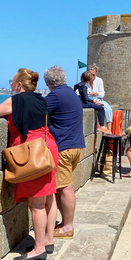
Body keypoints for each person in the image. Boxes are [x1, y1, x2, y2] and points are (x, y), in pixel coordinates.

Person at [0, 68, 59, 260]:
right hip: (47, 146)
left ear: (18, 84)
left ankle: (39, 248)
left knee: (37, 205)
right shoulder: (41, 99)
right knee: (48, 197)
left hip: (32, 152)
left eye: (12, 81)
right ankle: (48, 241)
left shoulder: (14, 101)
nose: (10, 85)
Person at [44, 66, 85, 239]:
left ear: (48, 82)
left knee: (65, 188)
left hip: (64, 148)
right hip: (76, 145)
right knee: (62, 187)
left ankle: (67, 226)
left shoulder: (55, 95)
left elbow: (37, 110)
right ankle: (64, 224)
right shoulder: (70, 93)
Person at [86, 64, 113, 131]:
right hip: (89, 100)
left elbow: (102, 93)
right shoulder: (85, 81)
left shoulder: (99, 80)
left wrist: (96, 93)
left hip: (98, 99)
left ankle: (109, 129)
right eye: (90, 74)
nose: (92, 76)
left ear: (96, 74)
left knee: (108, 109)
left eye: (93, 74)